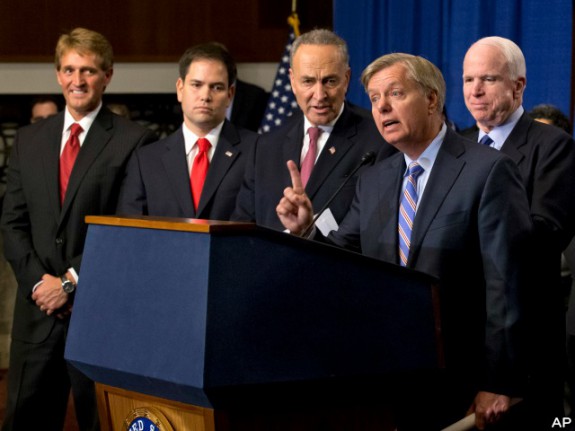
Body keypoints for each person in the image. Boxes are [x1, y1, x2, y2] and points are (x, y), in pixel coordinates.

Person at [276, 53, 532, 430]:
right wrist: (305, 230)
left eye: (395, 93)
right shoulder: (374, 177)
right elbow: (345, 257)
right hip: (388, 378)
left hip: (460, 382)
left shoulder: (488, 170)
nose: (382, 107)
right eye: (375, 99)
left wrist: (498, 381)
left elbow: (507, 285)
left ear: (431, 99)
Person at [0, 27, 156, 430]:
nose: (78, 80)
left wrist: (69, 282)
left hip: (100, 317)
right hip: (36, 319)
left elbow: (128, 229)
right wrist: (40, 284)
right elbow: (12, 224)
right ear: (57, 74)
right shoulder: (30, 140)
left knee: (103, 423)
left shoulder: (134, 141)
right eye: (69, 69)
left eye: (88, 70)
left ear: (108, 75)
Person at [462, 36, 575, 429]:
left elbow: (543, 238)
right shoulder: (454, 146)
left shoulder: (553, 147)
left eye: (488, 79)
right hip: (462, 344)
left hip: (524, 353)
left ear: (518, 85)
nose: (475, 90)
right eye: (468, 79)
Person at [233, 29, 395, 233]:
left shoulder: (379, 140)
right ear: (292, 81)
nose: (319, 95)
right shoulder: (265, 146)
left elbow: (376, 229)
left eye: (330, 81)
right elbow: (242, 227)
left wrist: (311, 231)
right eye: (308, 81)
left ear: (346, 79)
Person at [117, 43, 258, 220]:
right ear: (180, 89)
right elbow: (130, 232)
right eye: (196, 85)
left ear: (230, 94)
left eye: (216, 87)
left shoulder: (257, 151)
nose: (205, 96)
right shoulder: (145, 161)